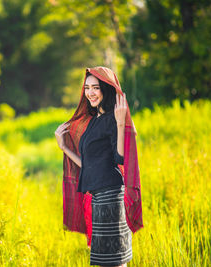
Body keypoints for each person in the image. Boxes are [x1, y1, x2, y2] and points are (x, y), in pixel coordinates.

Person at [55, 66, 143, 266]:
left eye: (95, 87)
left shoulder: (113, 118)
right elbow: (89, 165)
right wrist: (65, 148)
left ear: (106, 89)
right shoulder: (94, 120)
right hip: (98, 199)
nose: (90, 93)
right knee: (107, 262)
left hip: (111, 198)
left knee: (115, 262)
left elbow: (120, 158)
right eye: (87, 88)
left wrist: (121, 123)